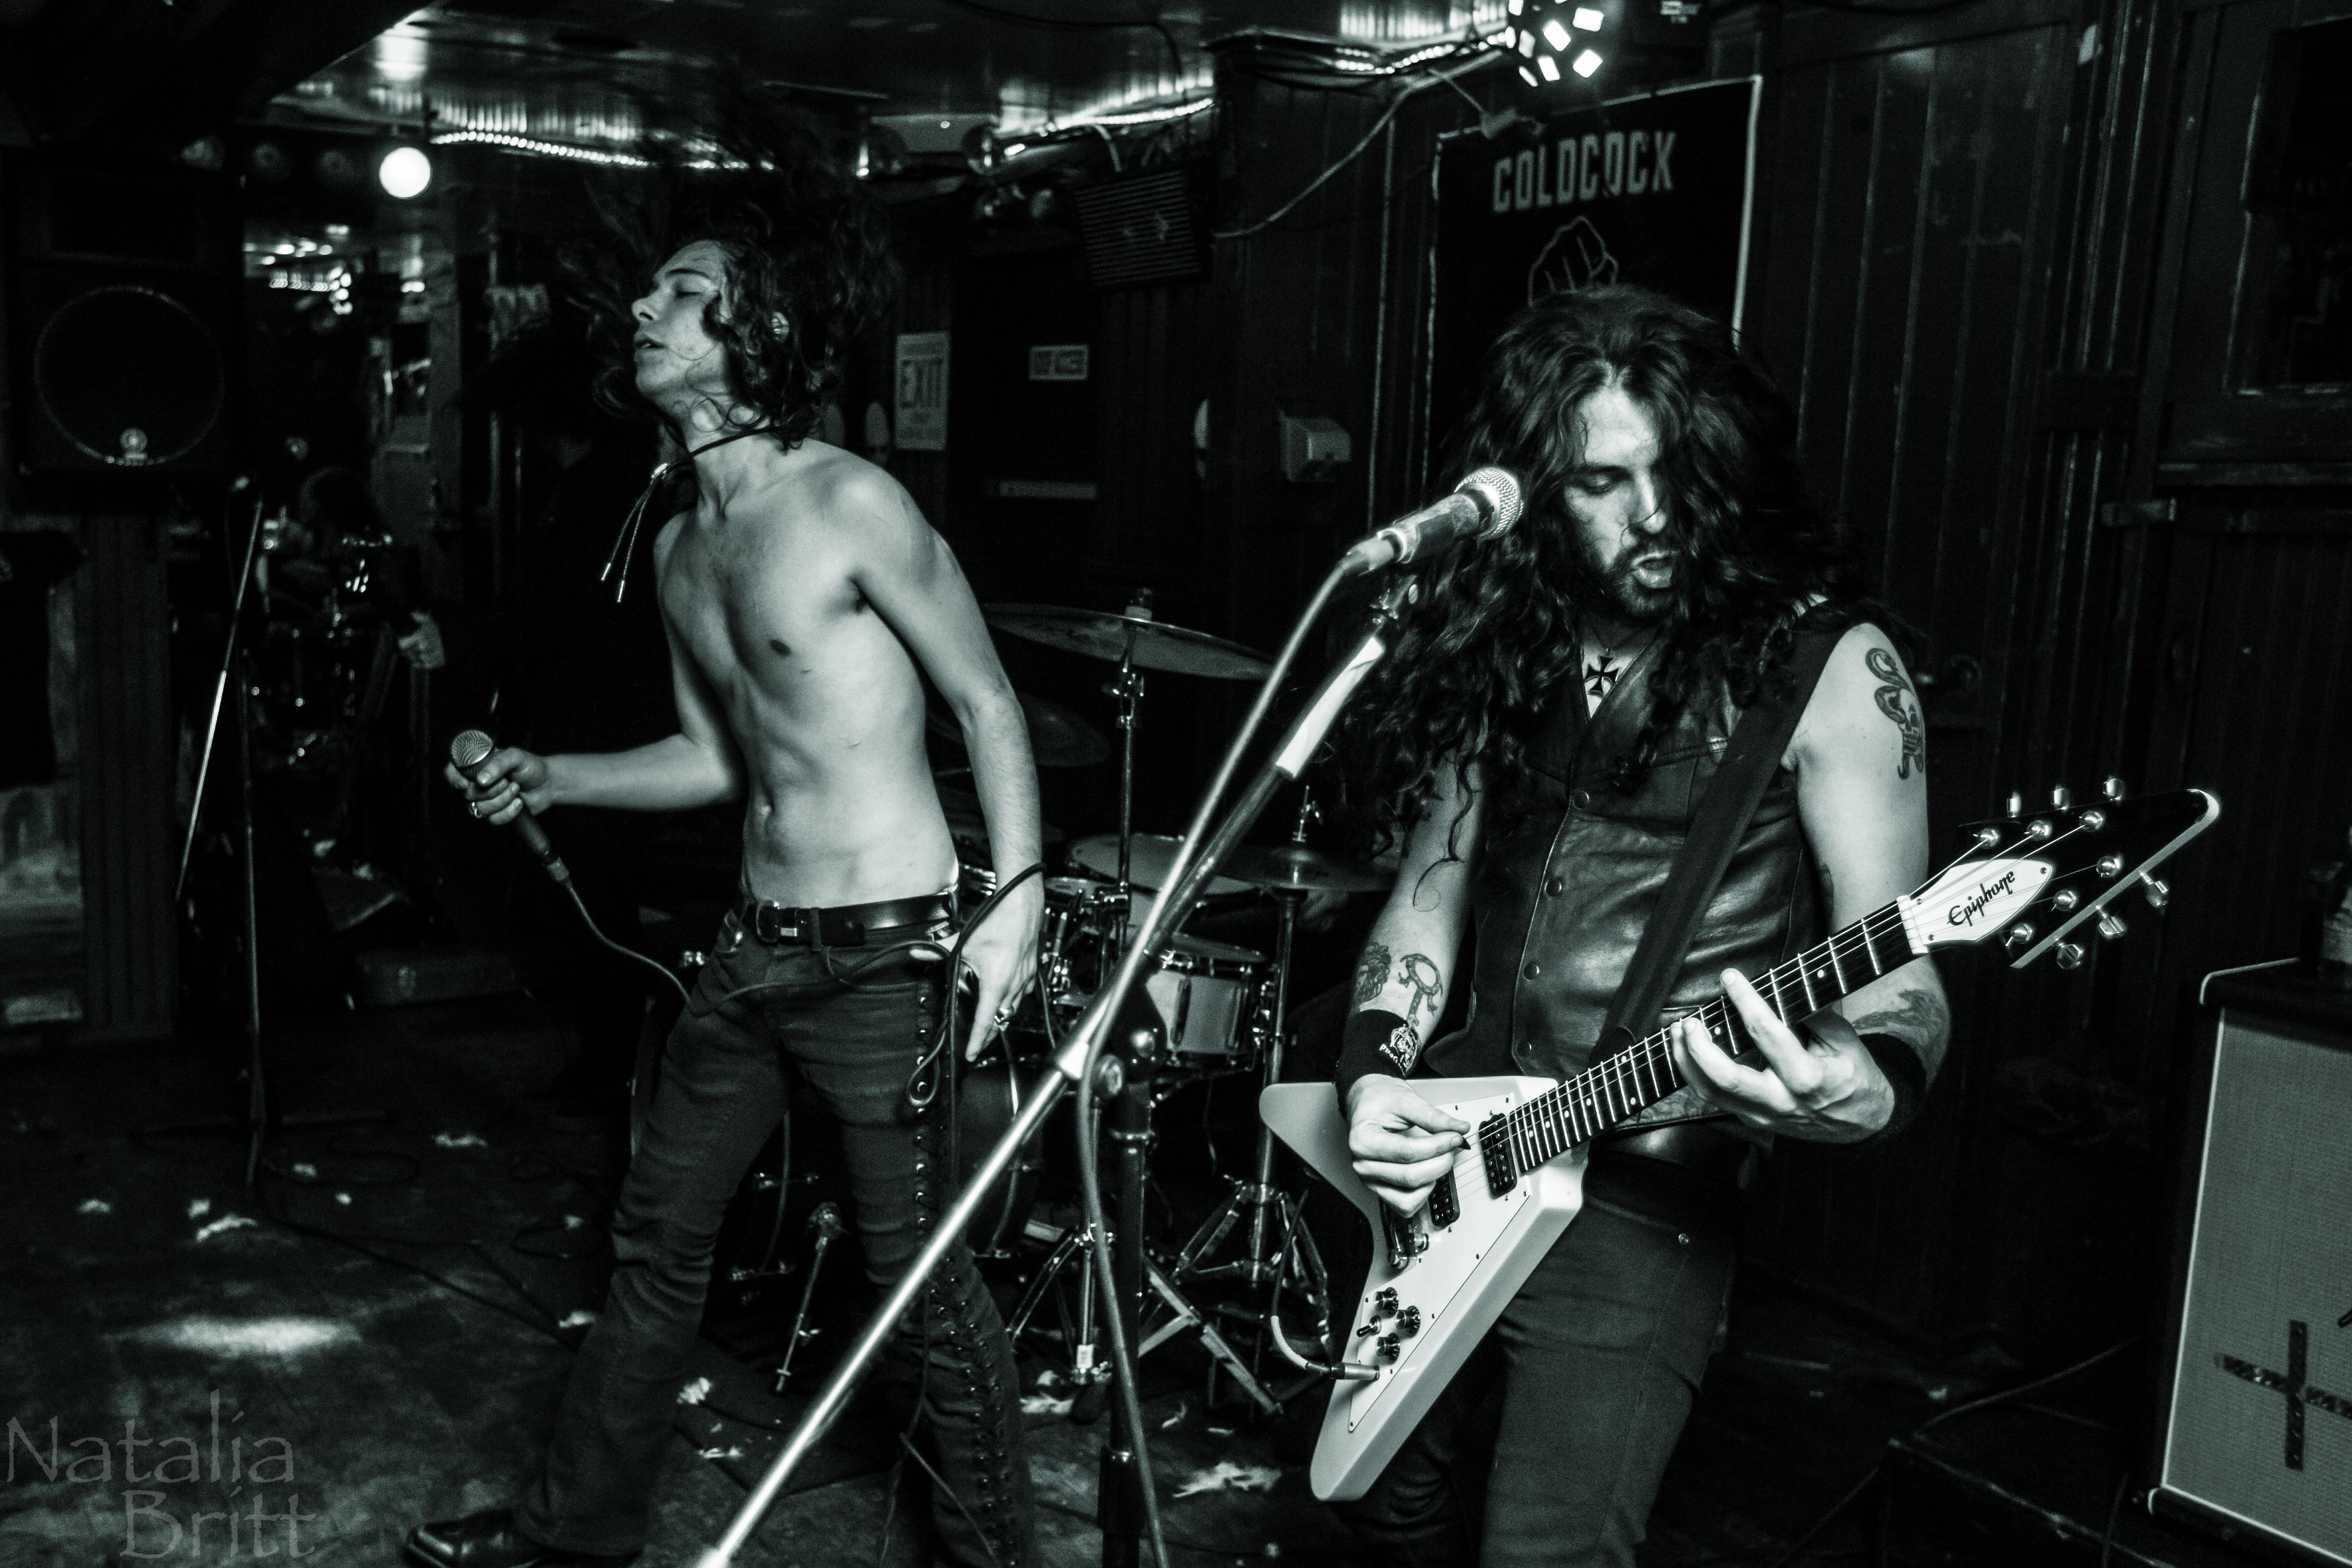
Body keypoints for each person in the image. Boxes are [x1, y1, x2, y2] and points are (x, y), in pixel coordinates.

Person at [404, 130, 1045, 1568]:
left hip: (886, 955)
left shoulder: (849, 502)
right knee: (652, 1242)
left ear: (757, 333)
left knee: (919, 1290)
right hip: (753, 954)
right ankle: (574, 1536)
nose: (645, 308)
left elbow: (989, 700)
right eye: (653, 290)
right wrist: (551, 774)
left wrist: (1014, 899)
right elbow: (712, 757)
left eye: (683, 293)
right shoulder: (683, 545)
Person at [1330, 284, 1951, 1568]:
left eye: (1676, 471)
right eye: (1602, 483)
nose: (1654, 515)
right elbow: (1427, 895)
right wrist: (1373, 1070)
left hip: (1644, 1182)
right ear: (1531, 492)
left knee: (1550, 1551)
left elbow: (1904, 969)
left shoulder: (1828, 667)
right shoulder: (1501, 641)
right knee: (1376, 1500)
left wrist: (1863, 1084)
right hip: (1456, 1143)